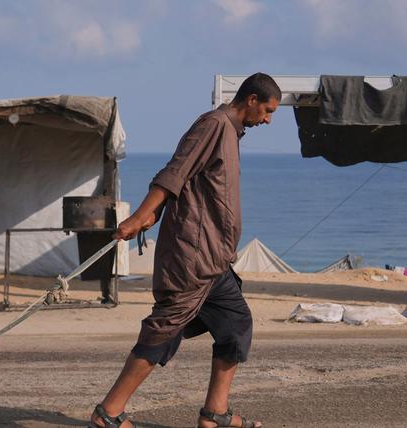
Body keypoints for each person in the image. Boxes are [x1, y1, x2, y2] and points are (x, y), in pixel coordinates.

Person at [89, 73, 280, 428]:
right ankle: (109, 413)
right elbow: (174, 173)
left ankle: (215, 414)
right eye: (267, 110)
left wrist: (156, 212)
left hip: (214, 260)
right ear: (252, 99)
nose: (268, 120)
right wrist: (142, 215)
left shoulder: (229, 132)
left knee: (236, 324)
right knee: (163, 331)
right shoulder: (214, 124)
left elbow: (190, 181)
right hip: (192, 258)